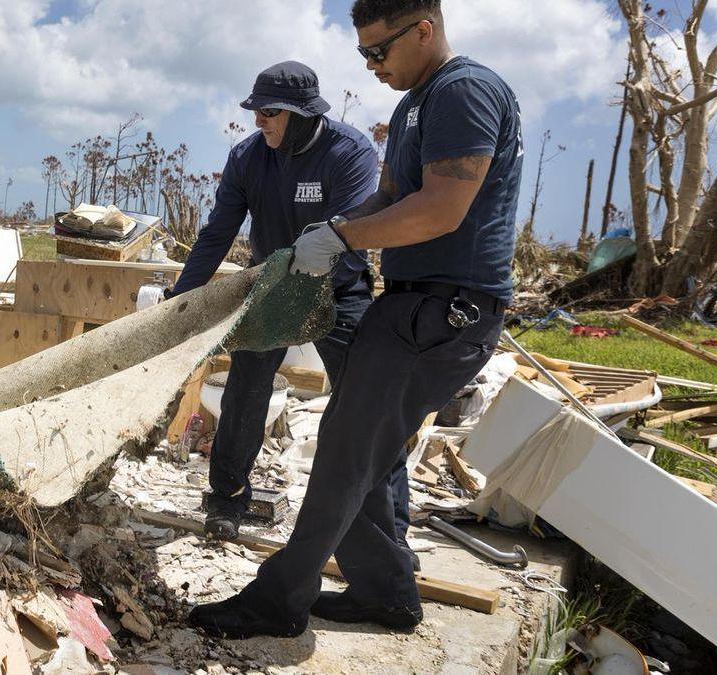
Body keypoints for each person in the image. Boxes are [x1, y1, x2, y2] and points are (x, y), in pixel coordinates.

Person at [189, 0, 523, 638]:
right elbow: (394, 196)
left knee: (344, 452)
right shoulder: (412, 104)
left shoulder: (464, 91)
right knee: (357, 445)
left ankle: (278, 601)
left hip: (446, 309)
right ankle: (384, 594)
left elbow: (443, 208)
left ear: (424, 30)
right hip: (411, 303)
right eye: (362, 53)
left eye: (380, 51)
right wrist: (336, 229)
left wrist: (342, 237)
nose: (371, 66)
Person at [169, 61, 415, 566]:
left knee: (368, 402)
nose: (260, 122)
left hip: (337, 288)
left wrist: (322, 257)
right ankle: (227, 497)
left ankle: (393, 534)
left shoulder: (349, 153)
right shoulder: (248, 158)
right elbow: (218, 232)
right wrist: (182, 298)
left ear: (303, 115)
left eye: (270, 113)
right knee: (246, 388)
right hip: (272, 288)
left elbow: (353, 230)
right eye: (256, 112)